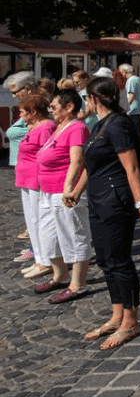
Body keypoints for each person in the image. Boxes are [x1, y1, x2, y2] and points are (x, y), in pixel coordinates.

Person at [70, 76, 140, 350]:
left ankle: (131, 321)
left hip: (115, 200)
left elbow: (131, 168)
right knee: (105, 260)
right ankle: (117, 314)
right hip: (97, 198)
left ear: (93, 98)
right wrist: (77, 190)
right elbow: (90, 164)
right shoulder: (98, 126)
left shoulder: (117, 125)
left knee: (119, 261)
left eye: (86, 98)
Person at [36, 89, 93, 303]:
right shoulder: (61, 126)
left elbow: (77, 161)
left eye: (53, 107)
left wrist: (70, 187)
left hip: (64, 190)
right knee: (48, 237)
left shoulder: (77, 128)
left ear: (69, 107)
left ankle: (78, 284)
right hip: (47, 190)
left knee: (74, 235)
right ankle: (60, 275)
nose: (51, 111)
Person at [14, 94, 54, 280]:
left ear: (34, 112)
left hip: (37, 180)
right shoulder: (36, 126)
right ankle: (39, 258)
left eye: (23, 112)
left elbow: (47, 154)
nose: (21, 116)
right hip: (26, 179)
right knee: (32, 221)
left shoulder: (46, 127)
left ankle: (45, 260)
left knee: (40, 221)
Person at [6, 72, 39, 267]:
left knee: (36, 212)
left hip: (33, 166)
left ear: (27, 88)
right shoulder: (27, 107)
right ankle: (36, 247)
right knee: (31, 212)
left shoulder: (36, 107)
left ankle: (39, 251)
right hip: (24, 166)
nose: (14, 96)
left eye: (15, 91)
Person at [121, 64, 140, 137]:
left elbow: (131, 96)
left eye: (121, 72)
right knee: (138, 132)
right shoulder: (138, 79)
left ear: (125, 72)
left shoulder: (131, 80)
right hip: (139, 109)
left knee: (132, 133)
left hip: (132, 110)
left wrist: (124, 108)